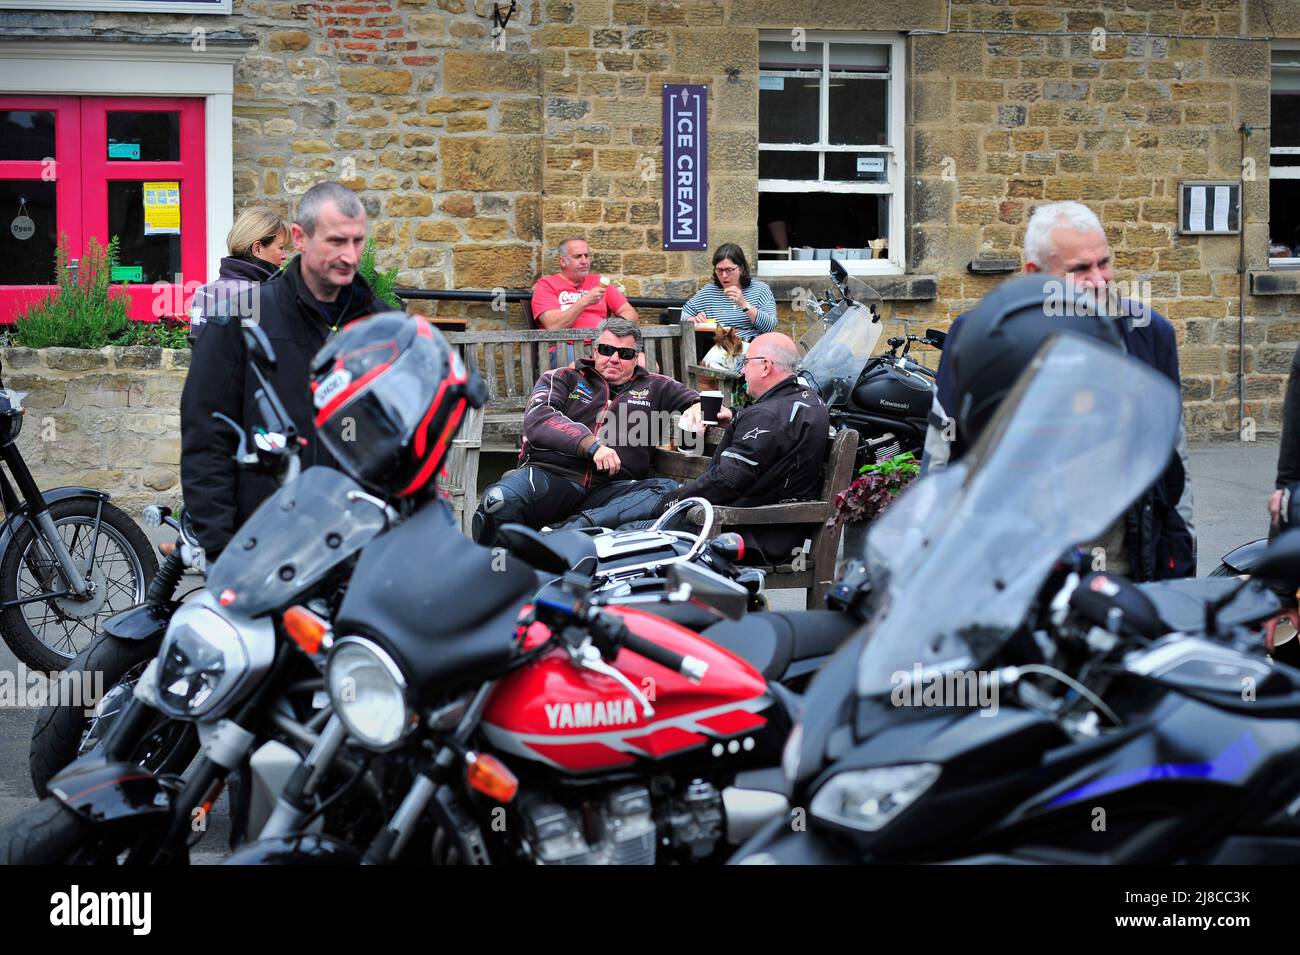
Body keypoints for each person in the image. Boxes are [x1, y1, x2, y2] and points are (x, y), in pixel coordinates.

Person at [925, 200, 1195, 582]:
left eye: (1104, 262)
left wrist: (1179, 565)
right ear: (1036, 274)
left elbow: (1174, 462)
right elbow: (942, 457)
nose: (1100, 280)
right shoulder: (980, 337)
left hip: (1122, 571)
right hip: (1012, 574)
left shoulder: (1148, 333)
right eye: (1080, 269)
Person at [180, 181, 388, 560]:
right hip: (265, 537)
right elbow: (207, 437)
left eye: (357, 241)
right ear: (299, 239)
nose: (349, 255)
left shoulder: (373, 318)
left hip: (348, 536)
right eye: (335, 241)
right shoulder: (239, 314)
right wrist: (221, 545)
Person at [471, 317, 703, 546]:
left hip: (612, 490)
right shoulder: (563, 378)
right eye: (606, 349)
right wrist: (591, 445)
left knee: (667, 489)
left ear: (636, 358)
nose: (614, 358)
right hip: (553, 477)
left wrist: (698, 406)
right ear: (594, 351)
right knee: (497, 502)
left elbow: (713, 406)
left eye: (624, 353)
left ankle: (561, 535)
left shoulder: (656, 385)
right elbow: (539, 418)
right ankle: (498, 573)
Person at [658, 333, 829, 564]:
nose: (742, 371)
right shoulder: (810, 400)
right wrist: (737, 419)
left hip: (747, 536)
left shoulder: (766, 415)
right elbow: (777, 434)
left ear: (766, 366)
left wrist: (673, 501)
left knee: (636, 534)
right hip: (782, 531)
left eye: (746, 362)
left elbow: (726, 481)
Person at [187, 207, 290, 343]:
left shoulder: (203, 292)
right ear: (257, 248)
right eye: (281, 248)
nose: (285, 256)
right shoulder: (262, 297)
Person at [681, 243, 777, 342]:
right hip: (718, 348)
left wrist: (744, 304)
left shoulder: (760, 290)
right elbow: (682, 314)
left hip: (752, 348)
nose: (724, 275)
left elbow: (770, 327)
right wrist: (694, 320)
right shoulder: (709, 292)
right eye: (719, 270)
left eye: (729, 270)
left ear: (741, 269)